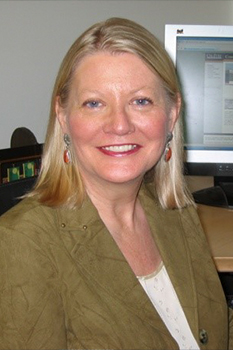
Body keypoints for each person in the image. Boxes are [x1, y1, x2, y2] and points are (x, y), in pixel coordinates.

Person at [0, 17, 232, 350]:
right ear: (63, 117)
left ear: (172, 113)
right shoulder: (21, 244)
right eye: (94, 103)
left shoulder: (176, 212)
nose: (119, 125)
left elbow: (213, 329)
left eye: (141, 101)